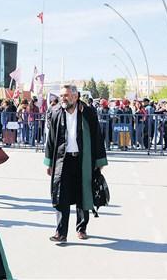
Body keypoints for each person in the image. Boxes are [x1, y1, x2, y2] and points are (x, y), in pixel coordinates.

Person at [44, 84, 108, 242]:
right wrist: (49, 162)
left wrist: (99, 161)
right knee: (61, 195)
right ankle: (61, 233)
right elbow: (50, 139)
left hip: (83, 159)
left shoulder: (88, 112)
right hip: (62, 160)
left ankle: (81, 228)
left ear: (75, 96)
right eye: (61, 96)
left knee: (83, 194)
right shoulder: (55, 112)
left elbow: (97, 137)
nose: (63, 98)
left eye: (66, 95)